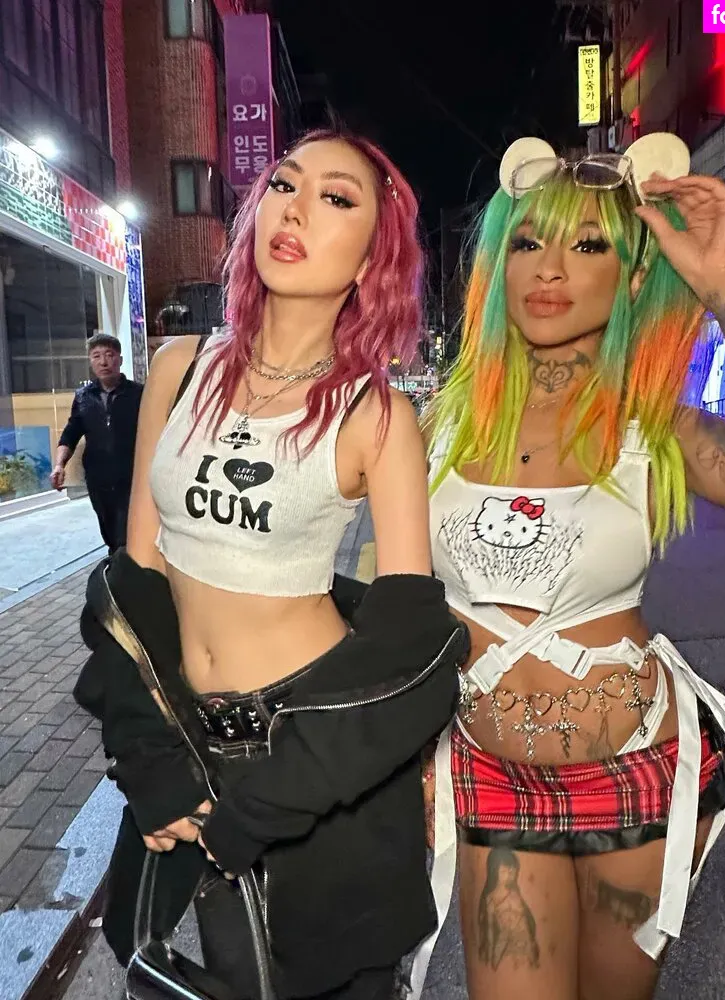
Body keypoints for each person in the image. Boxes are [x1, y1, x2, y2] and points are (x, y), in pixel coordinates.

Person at [417, 137, 725, 1000]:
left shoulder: (654, 427)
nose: (551, 267)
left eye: (589, 245)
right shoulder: (439, 423)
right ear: (499, 266)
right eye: (527, 242)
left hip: (633, 779)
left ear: (631, 279)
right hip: (490, 777)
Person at [73, 130, 468, 1000]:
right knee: (184, 969)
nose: (295, 209)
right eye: (285, 185)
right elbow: (134, 584)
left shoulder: (375, 414)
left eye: (337, 199)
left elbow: (410, 646)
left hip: (311, 760)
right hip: (188, 739)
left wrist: (266, 805)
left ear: (373, 257)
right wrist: (148, 753)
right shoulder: (179, 368)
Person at [51, 333, 143, 552]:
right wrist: (59, 465)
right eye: (96, 356)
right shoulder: (83, 396)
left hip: (132, 476)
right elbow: (71, 433)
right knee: (109, 529)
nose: (103, 362)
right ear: (90, 361)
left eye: (109, 355)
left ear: (120, 359)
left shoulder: (139, 394)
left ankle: (125, 564)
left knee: (128, 531)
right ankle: (117, 560)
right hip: (98, 478)